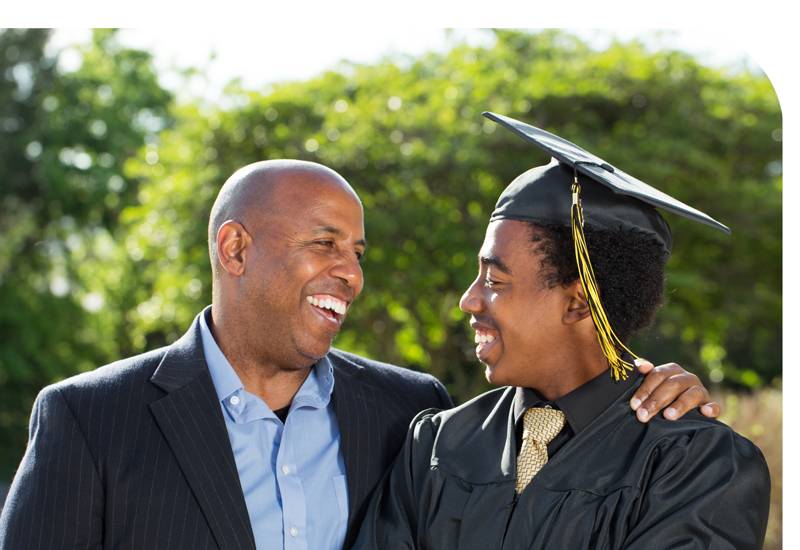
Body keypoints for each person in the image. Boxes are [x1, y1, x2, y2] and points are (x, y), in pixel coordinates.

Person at [0, 160, 720, 550]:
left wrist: (641, 384)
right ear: (235, 247)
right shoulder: (89, 420)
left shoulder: (412, 416)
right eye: (325, 244)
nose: (351, 272)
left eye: (358, 252)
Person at [353, 115, 770, 550]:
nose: (469, 300)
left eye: (495, 281)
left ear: (578, 302)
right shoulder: (438, 444)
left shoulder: (693, 463)